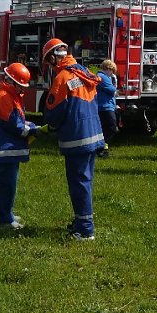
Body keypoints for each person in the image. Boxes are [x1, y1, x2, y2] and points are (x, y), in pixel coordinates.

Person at [42, 38, 105, 241]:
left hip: (77, 138)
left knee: (79, 183)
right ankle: (80, 222)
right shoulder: (84, 73)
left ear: (53, 57)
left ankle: (86, 230)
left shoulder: (62, 78)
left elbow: (54, 112)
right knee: (85, 181)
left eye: (48, 61)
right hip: (94, 134)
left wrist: (50, 123)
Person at [0, 63, 42, 229]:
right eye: (20, 85)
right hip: (2, 151)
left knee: (8, 186)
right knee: (4, 187)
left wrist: (31, 126)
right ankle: (2, 220)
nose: (22, 89)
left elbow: (18, 120)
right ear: (12, 82)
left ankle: (5, 213)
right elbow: (14, 125)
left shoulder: (9, 96)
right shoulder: (3, 96)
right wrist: (32, 130)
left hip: (6, 151)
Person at [95, 59, 119, 157]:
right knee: (111, 127)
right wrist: (115, 84)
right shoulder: (103, 78)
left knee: (104, 128)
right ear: (108, 68)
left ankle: (103, 148)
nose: (112, 73)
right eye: (112, 70)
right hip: (105, 107)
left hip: (105, 106)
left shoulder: (102, 77)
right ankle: (101, 145)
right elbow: (113, 90)